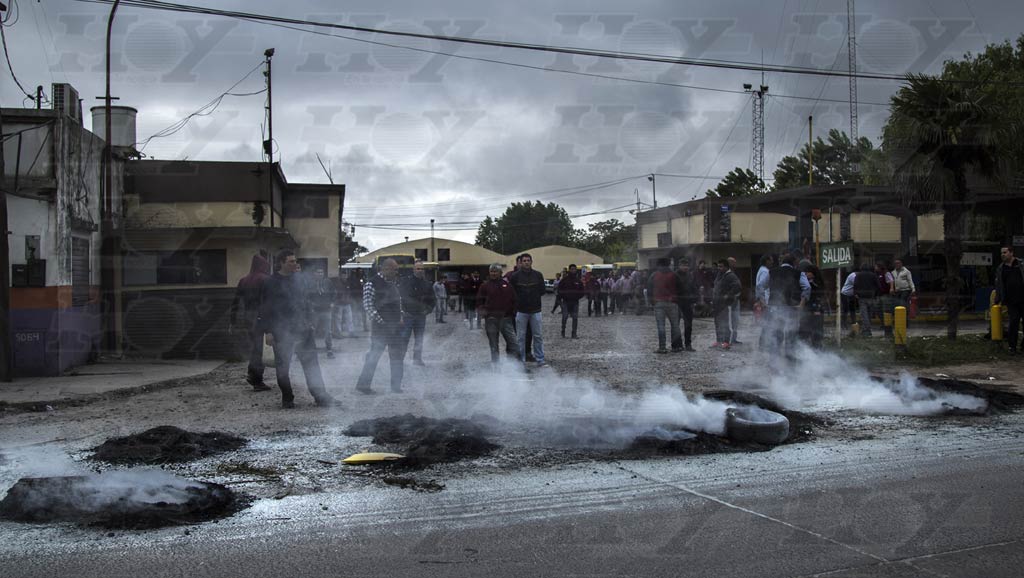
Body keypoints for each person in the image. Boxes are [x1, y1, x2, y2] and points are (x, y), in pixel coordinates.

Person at [257, 250, 340, 408]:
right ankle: (287, 399)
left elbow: (306, 301)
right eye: (291, 261)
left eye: (295, 261)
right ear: (281, 263)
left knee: (312, 365)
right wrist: (267, 331)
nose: (295, 264)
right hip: (281, 331)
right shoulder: (270, 282)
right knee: (282, 368)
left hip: (303, 330)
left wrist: (310, 321)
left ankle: (321, 397)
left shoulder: (300, 280)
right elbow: (264, 308)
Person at [356, 258, 408, 394]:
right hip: (381, 328)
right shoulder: (371, 284)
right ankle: (363, 385)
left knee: (397, 357)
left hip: (395, 327)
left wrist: (401, 316)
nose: (397, 272)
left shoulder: (392, 283)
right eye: (395, 269)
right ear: (385, 269)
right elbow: (368, 306)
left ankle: (396, 386)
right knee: (374, 356)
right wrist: (382, 322)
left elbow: (399, 303)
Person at [228, 251, 273, 391]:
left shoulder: (244, 280)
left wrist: (233, 321)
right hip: (262, 318)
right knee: (260, 350)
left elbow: (235, 302)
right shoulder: (266, 279)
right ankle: (255, 378)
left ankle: (253, 376)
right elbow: (269, 302)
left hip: (249, 318)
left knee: (256, 348)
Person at [764, 253, 810, 356]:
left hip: (775, 307)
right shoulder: (798, 273)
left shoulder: (772, 272)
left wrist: (765, 302)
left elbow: (761, 286)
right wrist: (802, 303)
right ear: (794, 263)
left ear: (782, 262)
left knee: (776, 333)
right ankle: (790, 360)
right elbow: (807, 288)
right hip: (792, 307)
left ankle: (774, 361)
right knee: (791, 333)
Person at [509, 253, 546, 366]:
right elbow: (512, 293)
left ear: (531, 262)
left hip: (536, 310)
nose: (526, 262)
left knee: (538, 336)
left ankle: (540, 359)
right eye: (524, 260)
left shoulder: (538, 275)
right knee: (520, 337)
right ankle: (521, 360)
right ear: (521, 262)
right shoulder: (515, 277)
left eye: (528, 260)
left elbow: (542, 291)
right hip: (521, 311)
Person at [477, 263, 519, 363]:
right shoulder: (484, 286)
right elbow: (479, 301)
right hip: (491, 320)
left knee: (513, 343)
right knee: (493, 345)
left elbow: (514, 300)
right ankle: (496, 367)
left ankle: (513, 366)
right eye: (492, 271)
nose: (493, 273)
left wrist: (512, 312)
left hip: (506, 319)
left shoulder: (508, 286)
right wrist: (483, 312)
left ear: (500, 273)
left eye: (496, 271)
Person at [399, 259, 435, 366]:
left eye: (422, 269)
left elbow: (432, 300)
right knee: (404, 338)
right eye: (418, 268)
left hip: (420, 316)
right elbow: (400, 297)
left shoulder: (427, 284)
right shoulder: (406, 282)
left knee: (419, 339)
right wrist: (402, 311)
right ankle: (400, 359)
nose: (420, 271)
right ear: (413, 270)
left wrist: (427, 310)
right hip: (408, 315)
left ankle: (417, 359)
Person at [995, 246, 1024, 353]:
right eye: (1001, 252)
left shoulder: (1020, 264)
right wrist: (998, 299)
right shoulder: (1001, 268)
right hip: (1012, 302)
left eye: (1005, 252)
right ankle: (1012, 347)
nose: (1002, 254)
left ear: (1011, 253)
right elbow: (998, 285)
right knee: (1014, 323)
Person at [648, 258, 681, 354]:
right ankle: (676, 347)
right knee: (675, 326)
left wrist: (652, 301)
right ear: (668, 264)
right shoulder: (674, 275)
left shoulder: (654, 275)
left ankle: (662, 347)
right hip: (672, 303)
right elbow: (680, 288)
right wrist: (676, 299)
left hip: (658, 302)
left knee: (661, 326)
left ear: (659, 265)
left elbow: (649, 289)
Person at [711, 259, 741, 349]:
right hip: (717, 302)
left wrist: (728, 295)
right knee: (717, 322)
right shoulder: (719, 274)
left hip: (725, 304)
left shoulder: (731, 276)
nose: (719, 268)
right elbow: (716, 285)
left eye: (721, 266)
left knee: (725, 322)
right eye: (718, 266)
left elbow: (738, 286)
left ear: (727, 267)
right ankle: (719, 340)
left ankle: (726, 341)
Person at [671, 258, 698, 352]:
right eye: (683, 265)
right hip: (677, 303)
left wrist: (695, 298)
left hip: (688, 303)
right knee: (675, 325)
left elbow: (694, 287)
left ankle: (688, 344)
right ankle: (676, 345)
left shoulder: (690, 275)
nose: (685, 267)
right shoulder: (674, 275)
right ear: (679, 266)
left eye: (687, 265)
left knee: (688, 325)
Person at [308, 268, 335, 358]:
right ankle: (310, 350)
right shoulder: (310, 283)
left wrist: (332, 302)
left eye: (321, 272)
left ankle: (329, 350)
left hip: (326, 310)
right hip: (315, 311)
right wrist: (310, 305)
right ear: (314, 273)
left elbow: (334, 293)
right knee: (312, 331)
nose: (320, 274)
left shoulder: (328, 282)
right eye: (318, 272)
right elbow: (306, 295)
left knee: (328, 331)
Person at [799, 265, 827, 348]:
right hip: (806, 309)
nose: (806, 274)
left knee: (817, 331)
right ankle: (803, 348)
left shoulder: (818, 283)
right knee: (804, 330)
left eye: (807, 273)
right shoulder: (803, 282)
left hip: (816, 309)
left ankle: (817, 348)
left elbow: (820, 294)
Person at [557, 264, 585, 338]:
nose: (573, 270)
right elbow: (559, 290)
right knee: (565, 317)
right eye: (572, 269)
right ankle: (563, 330)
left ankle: (574, 333)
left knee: (575, 318)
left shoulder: (578, 281)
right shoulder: (564, 280)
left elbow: (582, 291)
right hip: (566, 302)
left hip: (575, 302)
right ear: (569, 270)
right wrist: (561, 298)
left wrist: (577, 297)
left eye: (574, 269)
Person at [853, 263, 879, 337]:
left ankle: (866, 331)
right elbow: (878, 286)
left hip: (862, 297)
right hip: (871, 297)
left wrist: (856, 293)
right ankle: (867, 330)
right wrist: (875, 294)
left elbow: (855, 285)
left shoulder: (858, 275)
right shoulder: (873, 275)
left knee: (864, 315)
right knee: (869, 315)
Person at [332, 271, 355, 339]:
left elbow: (349, 292)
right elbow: (336, 293)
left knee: (349, 318)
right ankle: (338, 333)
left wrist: (349, 299)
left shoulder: (347, 283)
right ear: (340, 276)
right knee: (338, 319)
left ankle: (351, 332)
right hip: (339, 303)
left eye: (345, 275)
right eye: (343, 275)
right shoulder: (338, 283)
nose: (344, 277)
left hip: (346, 303)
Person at [876, 262, 895, 337]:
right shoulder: (877, 274)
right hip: (879, 294)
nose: (875, 268)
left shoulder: (886, 273)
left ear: (880, 267)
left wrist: (891, 288)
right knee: (878, 309)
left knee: (885, 310)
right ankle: (883, 323)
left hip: (885, 294)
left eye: (876, 266)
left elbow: (891, 281)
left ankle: (887, 325)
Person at [726, 257, 742, 344]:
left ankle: (734, 338)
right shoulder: (726, 274)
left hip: (736, 299)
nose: (735, 264)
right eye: (733, 263)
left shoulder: (735, 273)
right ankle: (729, 339)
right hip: (730, 300)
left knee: (736, 319)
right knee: (729, 320)